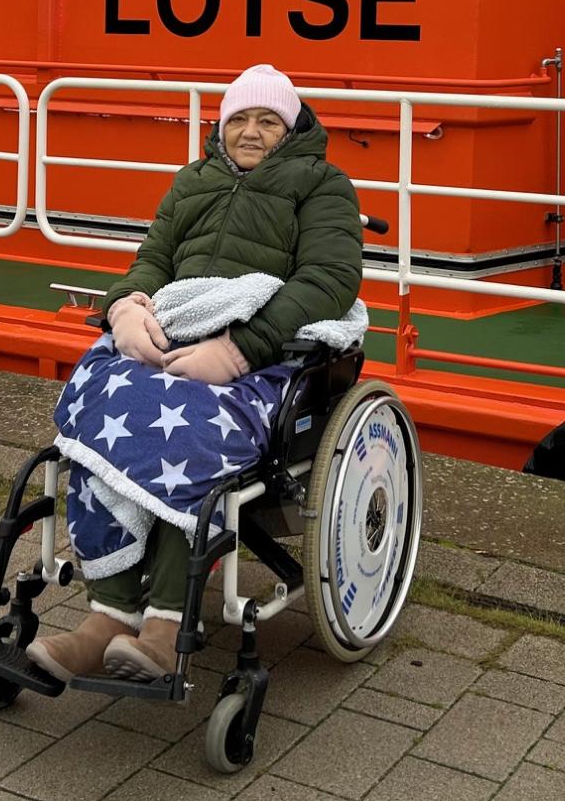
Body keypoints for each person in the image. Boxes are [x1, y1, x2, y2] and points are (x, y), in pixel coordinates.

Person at [29, 63, 364, 684]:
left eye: (268, 121)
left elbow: (330, 279)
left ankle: (163, 621)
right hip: (175, 338)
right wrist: (126, 307)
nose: (251, 131)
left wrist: (240, 349)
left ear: (291, 130)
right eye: (239, 119)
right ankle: (108, 615)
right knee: (103, 411)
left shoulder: (323, 185)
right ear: (222, 125)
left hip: (264, 353)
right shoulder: (193, 180)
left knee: (188, 431)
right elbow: (153, 259)